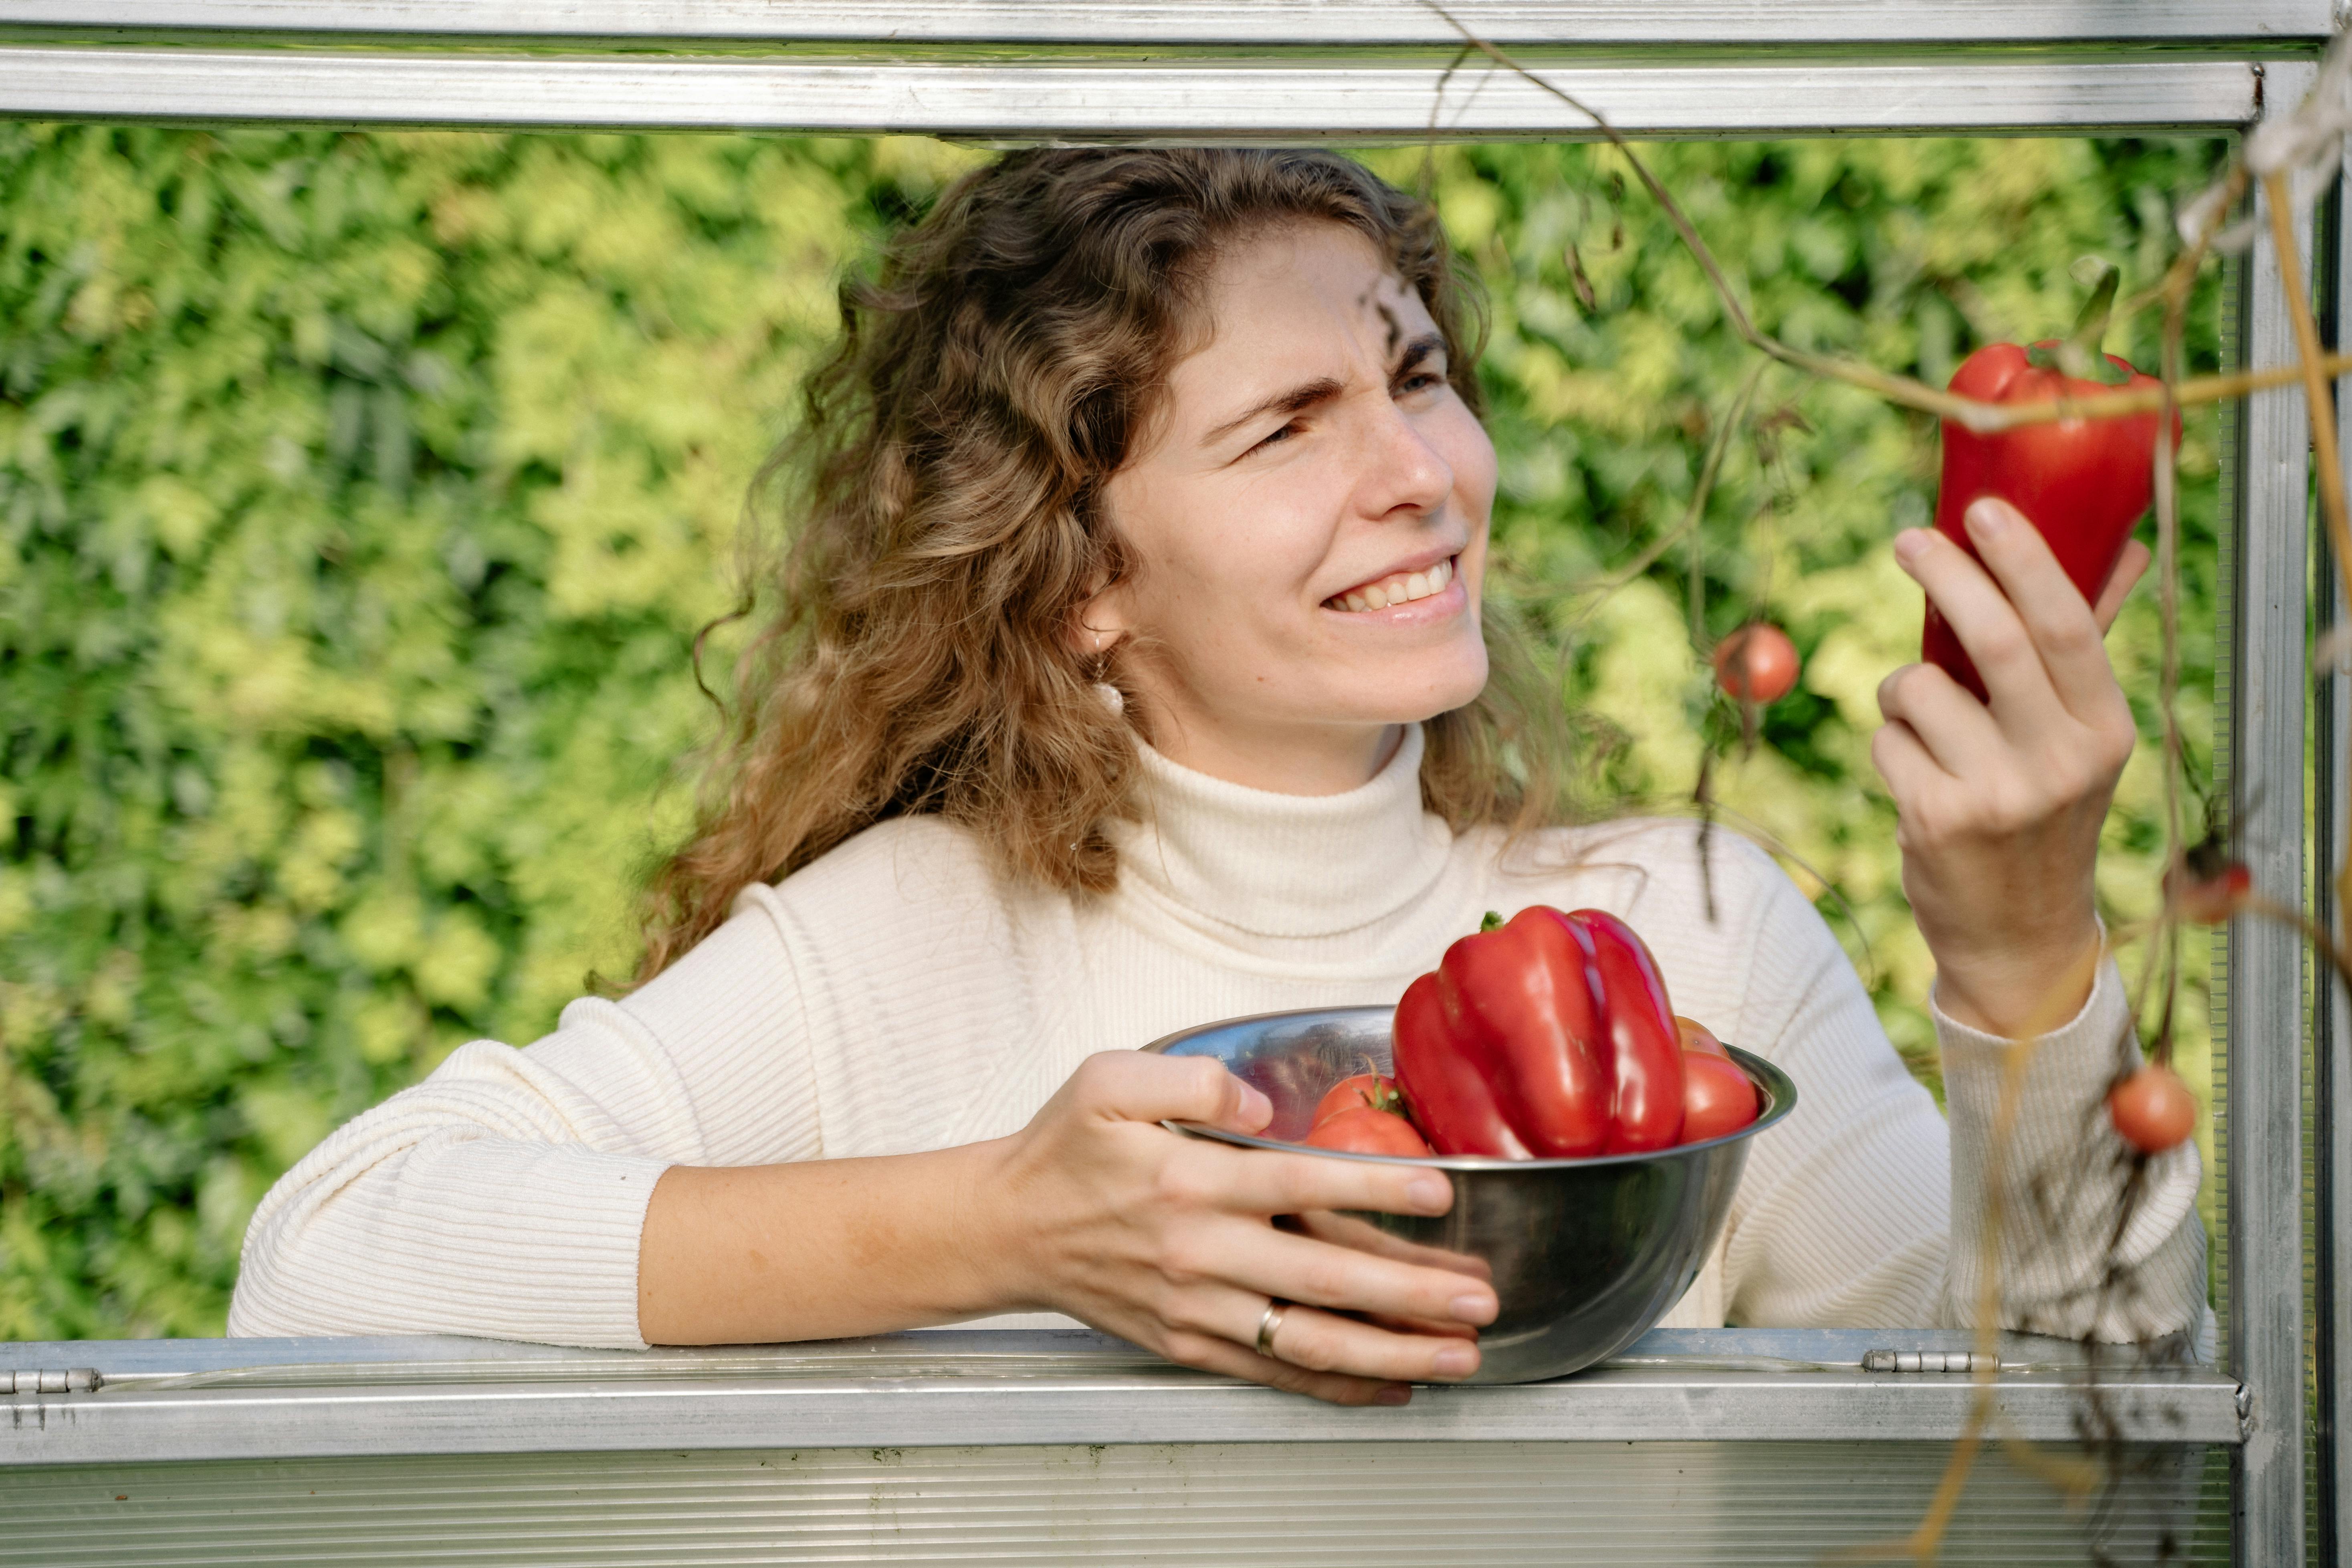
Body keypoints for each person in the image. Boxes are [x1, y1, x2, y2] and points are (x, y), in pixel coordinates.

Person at [229, 148, 2205, 1406]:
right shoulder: (905, 942)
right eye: (1288, 426)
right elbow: (327, 1256)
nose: (1420, 473)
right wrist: (1012, 1225)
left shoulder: (1688, 924)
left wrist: (2020, 941)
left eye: (1416, 376)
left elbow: (2087, 1396)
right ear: (1081, 576)